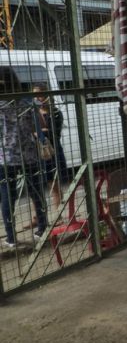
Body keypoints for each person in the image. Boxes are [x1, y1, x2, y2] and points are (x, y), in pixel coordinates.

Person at [0, 69, 47, 250]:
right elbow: (41, 125)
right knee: (36, 192)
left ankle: (11, 238)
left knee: (7, 196)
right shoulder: (27, 102)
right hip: (29, 155)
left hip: (6, 157)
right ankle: (42, 228)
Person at [32, 83, 68, 211]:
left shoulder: (55, 112)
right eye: (34, 95)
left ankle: (58, 210)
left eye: (39, 95)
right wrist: (40, 131)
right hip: (39, 152)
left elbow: (54, 133)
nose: (37, 98)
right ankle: (41, 214)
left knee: (54, 182)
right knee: (42, 183)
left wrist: (39, 132)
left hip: (53, 151)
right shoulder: (33, 113)